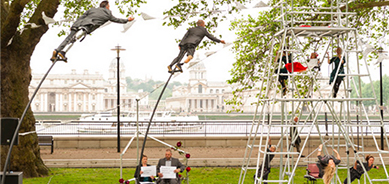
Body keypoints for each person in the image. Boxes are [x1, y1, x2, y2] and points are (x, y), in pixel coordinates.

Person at [51, 0, 134, 62]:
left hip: (78, 25)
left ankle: (57, 50)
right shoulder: (108, 13)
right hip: (87, 27)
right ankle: (63, 52)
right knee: (74, 39)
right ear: (107, 6)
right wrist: (127, 20)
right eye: (109, 6)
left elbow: (81, 17)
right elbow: (116, 20)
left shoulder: (92, 9)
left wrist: (74, 25)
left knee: (68, 38)